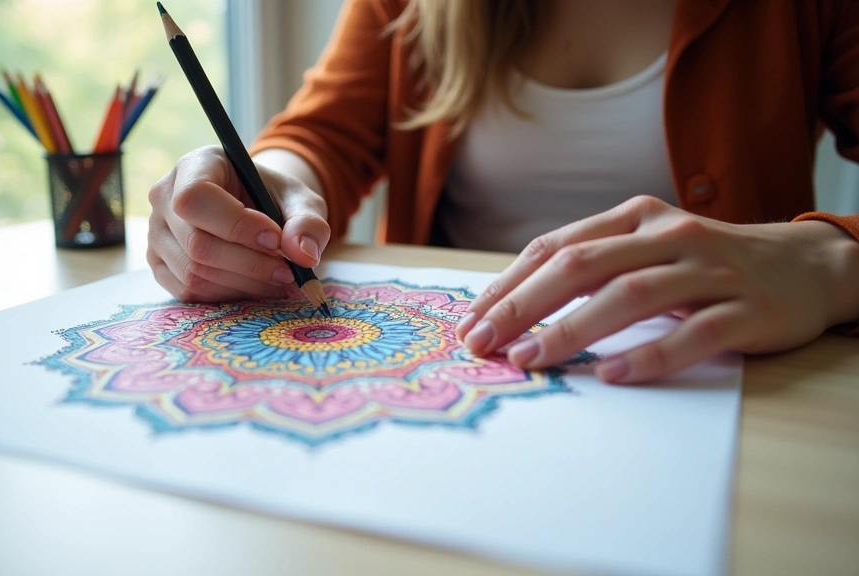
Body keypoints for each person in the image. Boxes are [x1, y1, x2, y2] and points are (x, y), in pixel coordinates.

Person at [147, 0, 859, 384]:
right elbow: (321, 134)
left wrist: (831, 260)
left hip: (746, 392)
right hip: (470, 373)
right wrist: (270, 182)